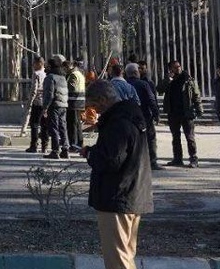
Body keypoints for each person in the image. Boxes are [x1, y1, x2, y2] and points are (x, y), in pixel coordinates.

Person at [81, 80, 153, 269]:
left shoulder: (118, 123)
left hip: (116, 195)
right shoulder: (130, 116)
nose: (94, 110)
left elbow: (110, 160)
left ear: (103, 99)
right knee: (126, 257)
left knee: (117, 260)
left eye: (94, 105)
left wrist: (90, 154)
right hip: (132, 194)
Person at [160, 59, 202, 167]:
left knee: (190, 137)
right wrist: (167, 80)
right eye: (175, 67)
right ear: (170, 69)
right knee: (175, 137)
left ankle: (193, 159)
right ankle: (177, 159)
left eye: (179, 66)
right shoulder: (169, 80)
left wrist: (199, 109)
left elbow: (196, 94)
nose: (178, 68)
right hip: (173, 113)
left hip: (186, 112)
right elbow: (159, 89)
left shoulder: (188, 79)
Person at [125, 63, 162, 170]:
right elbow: (151, 99)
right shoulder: (143, 84)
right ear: (136, 72)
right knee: (150, 138)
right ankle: (152, 161)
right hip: (144, 115)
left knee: (131, 139)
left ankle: (133, 162)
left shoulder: (124, 84)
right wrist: (156, 114)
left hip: (128, 116)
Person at [41, 54, 70, 159]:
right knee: (63, 127)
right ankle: (65, 150)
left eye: (46, 66)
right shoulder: (62, 77)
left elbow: (49, 94)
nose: (45, 68)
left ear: (50, 66)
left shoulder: (50, 78)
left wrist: (45, 107)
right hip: (63, 105)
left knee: (54, 128)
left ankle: (55, 150)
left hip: (54, 106)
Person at [25, 57, 48, 154]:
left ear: (40, 64)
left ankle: (34, 145)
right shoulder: (47, 74)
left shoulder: (36, 74)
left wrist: (30, 102)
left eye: (34, 63)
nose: (33, 65)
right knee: (44, 125)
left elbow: (34, 89)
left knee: (34, 124)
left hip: (37, 102)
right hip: (46, 102)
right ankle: (44, 146)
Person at [67, 59, 87, 152]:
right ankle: (79, 142)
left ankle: (74, 144)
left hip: (73, 102)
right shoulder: (80, 74)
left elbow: (71, 88)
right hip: (80, 102)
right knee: (77, 124)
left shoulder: (73, 75)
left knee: (73, 124)